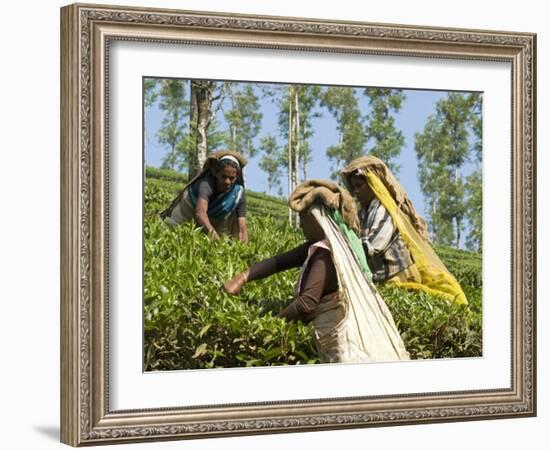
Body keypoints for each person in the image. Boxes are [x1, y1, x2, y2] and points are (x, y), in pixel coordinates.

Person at [223, 180, 409, 364]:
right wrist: (243, 277)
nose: (301, 225)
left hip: (338, 343)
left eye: (303, 218)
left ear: (317, 218)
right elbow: (278, 262)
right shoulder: (329, 246)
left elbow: (306, 303)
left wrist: (268, 326)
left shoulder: (325, 253)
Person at [341, 156, 467, 304]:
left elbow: (374, 245)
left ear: (372, 183)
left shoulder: (385, 211)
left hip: (400, 276)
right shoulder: (364, 213)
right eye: (353, 187)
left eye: (359, 186)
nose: (356, 192)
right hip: (382, 278)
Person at [160, 150, 249, 243]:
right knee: (169, 235)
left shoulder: (238, 193)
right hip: (188, 211)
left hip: (216, 219)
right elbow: (200, 213)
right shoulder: (206, 184)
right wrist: (214, 237)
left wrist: (244, 249)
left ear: (237, 176)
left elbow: (242, 227)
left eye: (232, 178)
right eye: (223, 176)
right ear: (216, 173)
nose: (227, 182)